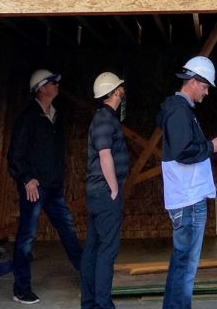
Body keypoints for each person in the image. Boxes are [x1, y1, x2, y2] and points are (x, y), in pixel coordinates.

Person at [158, 56, 217, 309]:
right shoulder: (179, 112)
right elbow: (183, 152)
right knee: (186, 265)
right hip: (188, 199)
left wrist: (210, 145)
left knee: (181, 261)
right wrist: (212, 146)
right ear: (193, 81)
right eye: (205, 86)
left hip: (186, 196)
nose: (207, 92)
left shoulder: (178, 110)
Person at [7, 69, 82, 304]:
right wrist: (26, 178)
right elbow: (15, 155)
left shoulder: (55, 116)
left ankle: (88, 276)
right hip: (35, 188)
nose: (57, 85)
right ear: (41, 88)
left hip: (53, 187)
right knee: (27, 237)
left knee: (69, 231)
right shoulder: (28, 117)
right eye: (52, 82)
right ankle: (21, 289)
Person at [81, 72, 129, 309]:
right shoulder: (103, 118)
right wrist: (113, 189)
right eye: (121, 86)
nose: (123, 89)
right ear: (114, 91)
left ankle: (90, 302)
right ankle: (102, 303)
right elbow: (104, 154)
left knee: (93, 248)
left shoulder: (106, 117)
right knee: (107, 250)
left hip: (98, 193)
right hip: (104, 193)